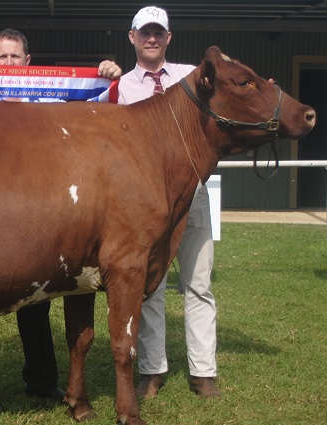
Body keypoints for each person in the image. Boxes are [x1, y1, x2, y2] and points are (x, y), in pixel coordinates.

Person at [0, 28, 122, 413]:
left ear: (28, 63)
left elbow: (96, 110)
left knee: (37, 303)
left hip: (32, 218)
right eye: (2, 57)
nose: (9, 64)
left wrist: (108, 79)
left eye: (15, 57)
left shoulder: (50, 99)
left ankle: (42, 382)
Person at [117, 7, 221, 399]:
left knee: (199, 283)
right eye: (145, 32)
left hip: (192, 195)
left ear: (168, 37)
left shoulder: (194, 78)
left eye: (158, 32)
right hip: (143, 204)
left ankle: (203, 371)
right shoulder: (121, 87)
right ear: (132, 37)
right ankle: (152, 369)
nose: (152, 39)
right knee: (151, 286)